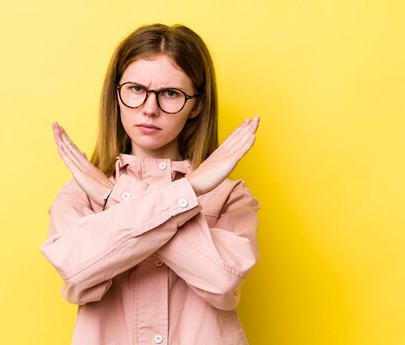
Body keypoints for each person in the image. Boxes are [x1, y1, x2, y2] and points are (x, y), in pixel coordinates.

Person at [41, 23, 260, 345]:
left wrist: (115, 198)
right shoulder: (80, 193)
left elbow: (224, 282)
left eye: (170, 93)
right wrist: (188, 193)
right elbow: (76, 274)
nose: (149, 108)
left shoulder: (230, 196)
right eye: (136, 89)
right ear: (116, 93)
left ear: (196, 104)